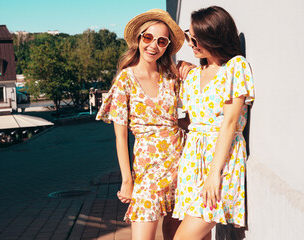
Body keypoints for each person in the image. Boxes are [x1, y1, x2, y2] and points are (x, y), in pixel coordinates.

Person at [96, 9, 186, 240]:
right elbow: (120, 136)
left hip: (181, 162)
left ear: (167, 46)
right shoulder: (125, 80)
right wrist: (127, 180)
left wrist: (193, 71)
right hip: (147, 170)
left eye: (161, 41)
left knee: (175, 232)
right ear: (138, 38)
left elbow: (181, 119)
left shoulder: (171, 76)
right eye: (148, 38)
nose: (153, 45)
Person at [172, 6, 255, 240]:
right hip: (192, 160)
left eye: (196, 38)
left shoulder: (235, 67)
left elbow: (229, 122)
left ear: (214, 36)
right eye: (189, 35)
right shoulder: (196, 74)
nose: (191, 43)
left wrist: (214, 173)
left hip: (221, 161)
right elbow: (189, 120)